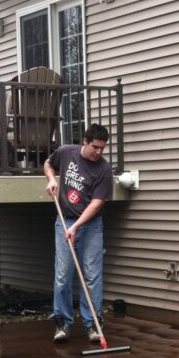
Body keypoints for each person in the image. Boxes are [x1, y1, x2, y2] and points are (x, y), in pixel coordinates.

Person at [44, 123, 114, 343]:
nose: (99, 152)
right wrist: (52, 179)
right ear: (85, 141)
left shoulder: (104, 169)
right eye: (95, 147)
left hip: (91, 225)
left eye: (102, 148)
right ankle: (63, 323)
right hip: (64, 220)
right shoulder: (66, 153)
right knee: (63, 275)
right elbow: (48, 163)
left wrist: (76, 226)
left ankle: (92, 324)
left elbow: (96, 204)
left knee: (92, 276)